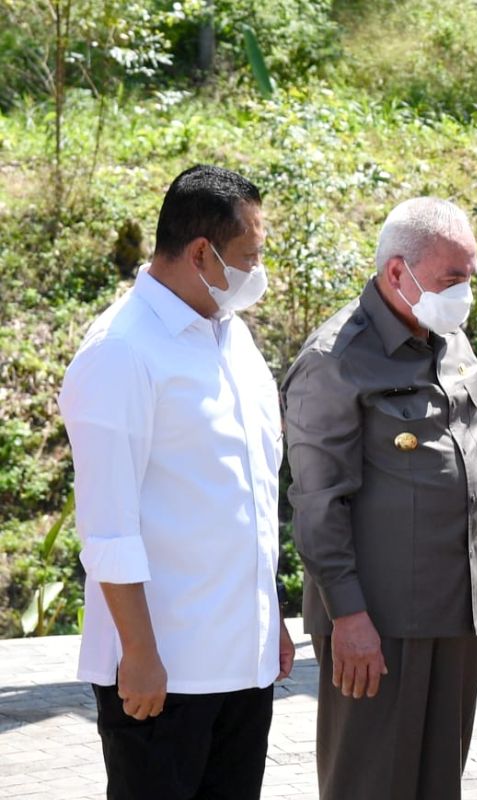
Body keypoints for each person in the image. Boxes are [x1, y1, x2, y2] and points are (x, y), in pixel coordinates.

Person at [58, 164, 294, 799]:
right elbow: (108, 526)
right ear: (201, 253)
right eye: (250, 256)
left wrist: (267, 620)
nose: (258, 271)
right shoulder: (121, 352)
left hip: (241, 666)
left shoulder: (232, 338)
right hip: (162, 675)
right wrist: (138, 654)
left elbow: (249, 495)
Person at [282, 197, 477, 800]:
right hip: (377, 623)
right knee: (370, 784)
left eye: (468, 279)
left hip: (456, 612)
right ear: (396, 273)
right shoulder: (335, 361)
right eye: (451, 280)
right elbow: (316, 503)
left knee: (440, 783)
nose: (463, 295)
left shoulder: (450, 339)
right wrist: (349, 618)